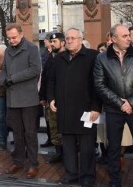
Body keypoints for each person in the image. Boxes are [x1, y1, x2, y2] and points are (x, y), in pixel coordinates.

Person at [93, 24, 133, 187]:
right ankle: (115, 181)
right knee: (113, 148)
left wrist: (131, 102)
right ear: (113, 39)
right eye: (124, 36)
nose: (129, 38)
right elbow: (99, 85)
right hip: (114, 110)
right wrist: (120, 103)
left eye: (129, 35)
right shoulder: (101, 58)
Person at [48, 28, 100, 186]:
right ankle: (71, 174)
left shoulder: (93, 56)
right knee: (68, 147)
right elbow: (51, 80)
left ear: (80, 39)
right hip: (64, 111)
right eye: (68, 38)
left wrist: (96, 107)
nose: (69, 41)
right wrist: (50, 98)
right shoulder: (59, 58)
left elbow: (98, 84)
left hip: (86, 110)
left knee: (87, 147)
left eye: (73, 38)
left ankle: (87, 177)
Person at [0, 23, 42, 179]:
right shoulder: (7, 50)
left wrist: (13, 79)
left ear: (21, 34)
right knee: (17, 133)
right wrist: (4, 79)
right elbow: (4, 69)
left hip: (28, 98)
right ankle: (18, 161)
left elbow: (35, 69)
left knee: (30, 133)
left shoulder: (32, 49)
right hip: (12, 98)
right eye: (9, 38)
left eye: (14, 37)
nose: (11, 40)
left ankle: (33, 164)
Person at [39, 32, 65, 163]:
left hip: (64, 100)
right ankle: (58, 152)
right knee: (53, 127)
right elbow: (45, 78)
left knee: (63, 129)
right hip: (51, 99)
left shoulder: (66, 57)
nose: (52, 44)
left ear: (63, 42)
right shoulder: (50, 58)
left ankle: (67, 153)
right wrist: (42, 96)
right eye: (51, 41)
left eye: (55, 41)